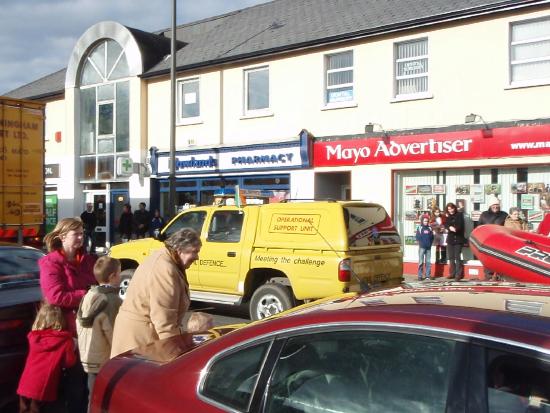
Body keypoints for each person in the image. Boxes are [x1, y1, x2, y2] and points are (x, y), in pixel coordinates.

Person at [111, 228, 213, 358]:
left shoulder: (167, 260)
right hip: (140, 342)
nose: (197, 257)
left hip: (140, 339)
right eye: (194, 252)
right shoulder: (164, 269)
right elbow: (165, 322)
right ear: (179, 249)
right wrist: (176, 357)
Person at [39, 217, 97, 413]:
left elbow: (97, 284)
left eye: (82, 233)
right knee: (73, 382)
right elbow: (55, 296)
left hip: (89, 327)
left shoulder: (87, 260)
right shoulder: (51, 262)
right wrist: (87, 294)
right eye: (76, 234)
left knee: (86, 379)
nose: (81, 238)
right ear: (62, 237)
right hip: (66, 330)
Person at [76, 256, 122, 409]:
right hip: (105, 359)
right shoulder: (112, 300)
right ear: (112, 276)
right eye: (119, 273)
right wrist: (121, 354)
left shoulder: (88, 296)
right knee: (107, 399)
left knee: (93, 397)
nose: (121, 277)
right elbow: (113, 332)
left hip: (89, 356)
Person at [17, 303, 77, 413]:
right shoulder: (65, 340)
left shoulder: (34, 337)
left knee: (24, 409)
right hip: (44, 385)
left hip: (26, 383)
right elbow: (69, 362)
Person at [478, 195, 508, 280]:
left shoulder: (504, 215)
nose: (495, 207)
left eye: (497, 205)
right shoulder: (484, 215)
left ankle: (499, 276)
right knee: (487, 259)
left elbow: (508, 227)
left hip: (500, 241)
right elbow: (479, 227)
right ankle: (489, 276)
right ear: (490, 206)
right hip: (487, 241)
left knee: (499, 259)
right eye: (493, 205)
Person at [444, 202, 465, 281]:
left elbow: (461, 226)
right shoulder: (448, 216)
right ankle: (452, 273)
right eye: (449, 209)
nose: (451, 210)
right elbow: (446, 224)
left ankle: (458, 274)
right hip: (450, 239)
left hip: (458, 239)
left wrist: (455, 229)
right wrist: (449, 227)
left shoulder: (459, 215)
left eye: (452, 208)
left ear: (454, 208)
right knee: (451, 257)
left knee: (457, 257)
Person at [415, 215, 434, 281]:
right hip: (422, 248)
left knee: (428, 262)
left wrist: (430, 244)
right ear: (422, 221)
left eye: (427, 221)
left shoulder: (430, 228)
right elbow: (417, 237)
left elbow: (432, 237)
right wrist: (421, 244)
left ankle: (427, 275)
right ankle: (420, 276)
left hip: (428, 248)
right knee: (421, 262)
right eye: (425, 221)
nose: (426, 222)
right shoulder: (420, 228)